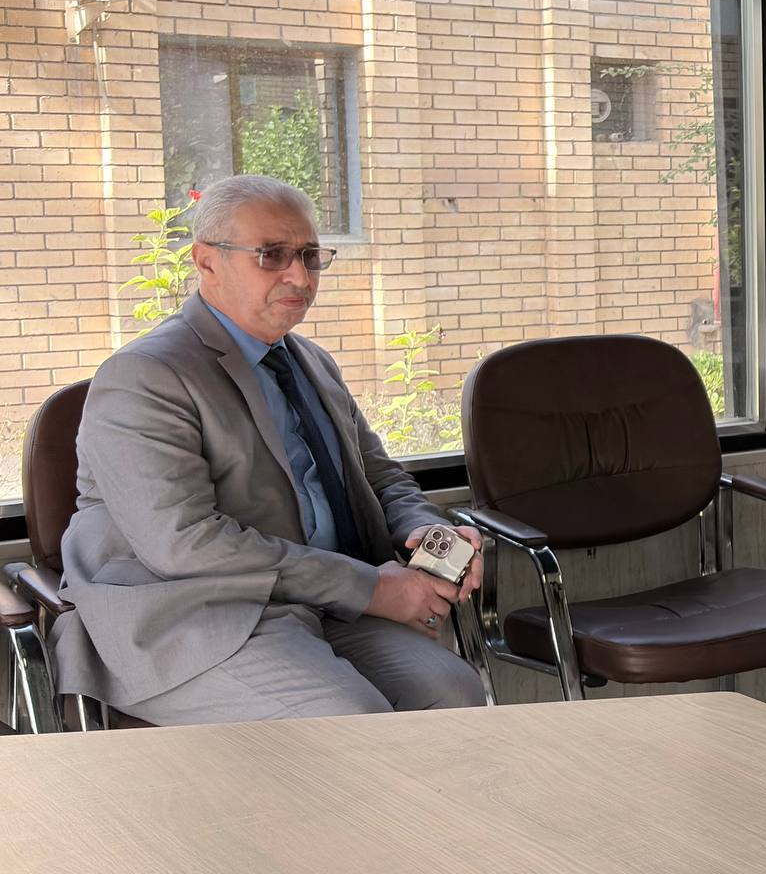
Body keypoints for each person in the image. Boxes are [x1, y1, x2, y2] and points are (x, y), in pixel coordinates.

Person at [55, 175, 489, 724]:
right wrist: (370, 588)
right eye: (272, 255)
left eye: (309, 255)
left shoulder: (311, 361)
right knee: (348, 719)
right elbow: (184, 544)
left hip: (316, 602)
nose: (300, 276)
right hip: (192, 615)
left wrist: (425, 528)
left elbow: (380, 476)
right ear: (207, 261)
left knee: (453, 693)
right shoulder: (145, 375)